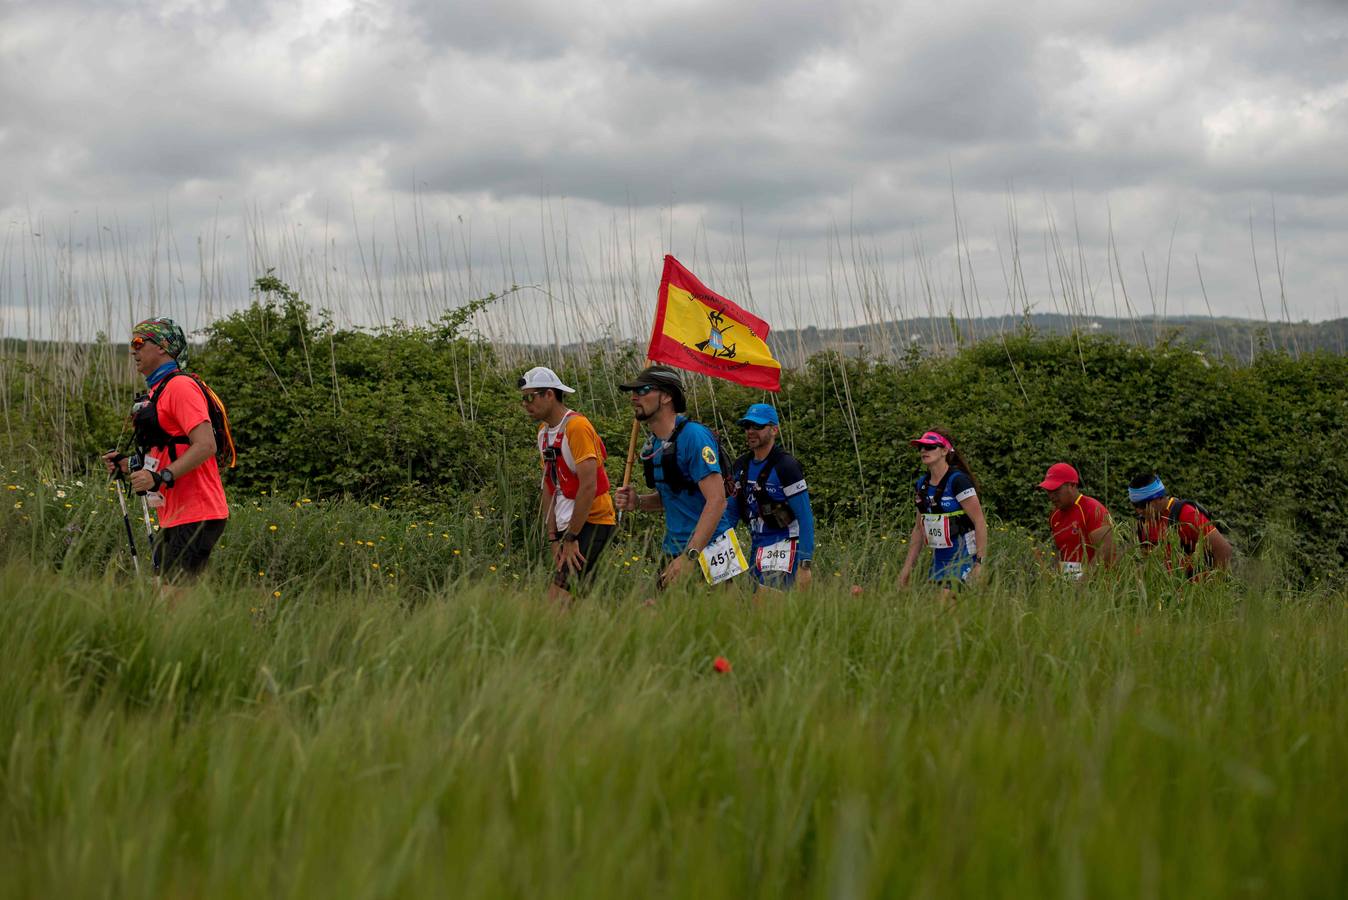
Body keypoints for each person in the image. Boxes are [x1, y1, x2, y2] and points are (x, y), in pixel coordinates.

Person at [102, 317, 229, 581]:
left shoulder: (180, 387)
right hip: (174, 513)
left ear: (162, 346)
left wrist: (161, 477)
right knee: (168, 602)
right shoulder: (159, 390)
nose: (133, 350)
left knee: (173, 603)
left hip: (198, 512)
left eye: (139, 342)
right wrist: (128, 465)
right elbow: (168, 449)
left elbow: (206, 445)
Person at [613, 365, 738, 589]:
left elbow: (717, 501)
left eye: (643, 390)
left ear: (667, 396)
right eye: (632, 392)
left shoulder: (694, 437)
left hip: (710, 548)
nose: (634, 397)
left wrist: (691, 556)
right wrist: (638, 501)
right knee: (661, 619)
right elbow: (669, 497)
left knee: (718, 622)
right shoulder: (655, 444)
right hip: (674, 549)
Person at [519, 365, 616, 602]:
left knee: (557, 601)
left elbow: (588, 486)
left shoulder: (577, 427)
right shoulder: (543, 433)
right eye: (523, 399)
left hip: (592, 521)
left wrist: (572, 537)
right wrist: (554, 537)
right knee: (580, 601)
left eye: (530, 397)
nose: (525, 404)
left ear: (549, 394)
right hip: (566, 526)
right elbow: (549, 487)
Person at [729, 403, 815, 590]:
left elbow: (805, 517)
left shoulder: (786, 466)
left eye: (758, 426)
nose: (751, 431)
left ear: (774, 430)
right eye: (747, 426)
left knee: (767, 606)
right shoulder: (741, 466)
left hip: (783, 543)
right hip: (756, 543)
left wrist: (805, 564)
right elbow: (731, 514)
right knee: (752, 606)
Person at [898, 429, 989, 597]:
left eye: (930, 447)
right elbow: (919, 529)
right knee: (942, 619)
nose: (924, 451)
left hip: (963, 557)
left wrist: (980, 564)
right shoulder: (922, 484)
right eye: (921, 447)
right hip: (939, 560)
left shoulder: (958, 481)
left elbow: (979, 522)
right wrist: (907, 568)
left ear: (944, 451)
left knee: (944, 605)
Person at [1129, 473, 1233, 577]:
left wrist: (1212, 587)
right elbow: (1150, 563)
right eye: (1134, 505)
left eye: (1142, 505)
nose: (1138, 510)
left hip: (1196, 589)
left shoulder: (1186, 514)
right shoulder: (1143, 524)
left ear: (1159, 498)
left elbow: (1224, 550)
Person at [1039, 462, 1118, 578]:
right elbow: (1061, 552)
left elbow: (1107, 550)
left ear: (1072, 485)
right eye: (1048, 491)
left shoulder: (1093, 509)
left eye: (1056, 490)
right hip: (1070, 584)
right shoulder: (1054, 515)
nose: (1051, 496)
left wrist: (1083, 580)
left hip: (1099, 585)